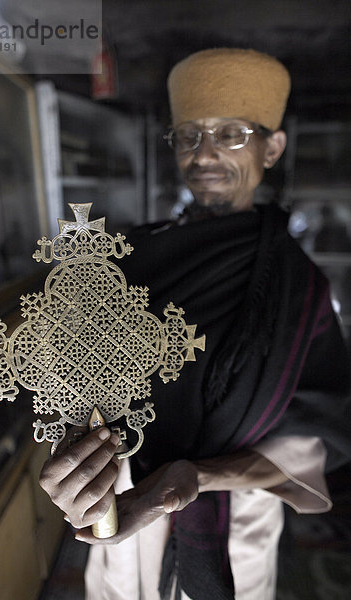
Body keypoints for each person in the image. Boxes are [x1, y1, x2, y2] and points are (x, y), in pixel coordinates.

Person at [39, 48, 351, 600]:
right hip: (125, 509)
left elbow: (312, 437)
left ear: (272, 147)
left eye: (231, 133)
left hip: (236, 521)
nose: (204, 153)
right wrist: (76, 460)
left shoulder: (299, 287)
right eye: (188, 135)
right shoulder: (130, 257)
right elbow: (78, 383)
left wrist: (197, 477)